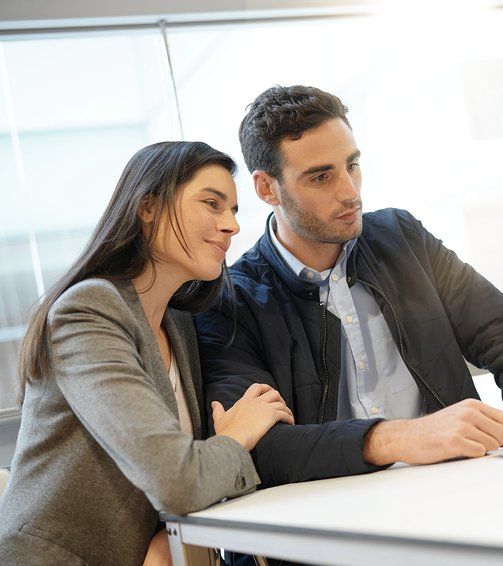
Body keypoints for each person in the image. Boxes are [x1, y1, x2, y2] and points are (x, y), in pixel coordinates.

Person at [195, 85, 503, 488]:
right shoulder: (231, 300)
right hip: (337, 520)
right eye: (321, 177)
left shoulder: (402, 238)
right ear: (268, 188)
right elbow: (260, 448)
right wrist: (397, 439)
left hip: (460, 485)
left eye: (351, 165)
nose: (350, 193)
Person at [0, 141, 294, 566]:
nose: (230, 225)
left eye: (233, 210)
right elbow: (175, 478)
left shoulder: (179, 325)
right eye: (212, 203)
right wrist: (235, 435)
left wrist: (162, 535)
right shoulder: (89, 309)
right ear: (148, 208)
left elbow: (168, 474)